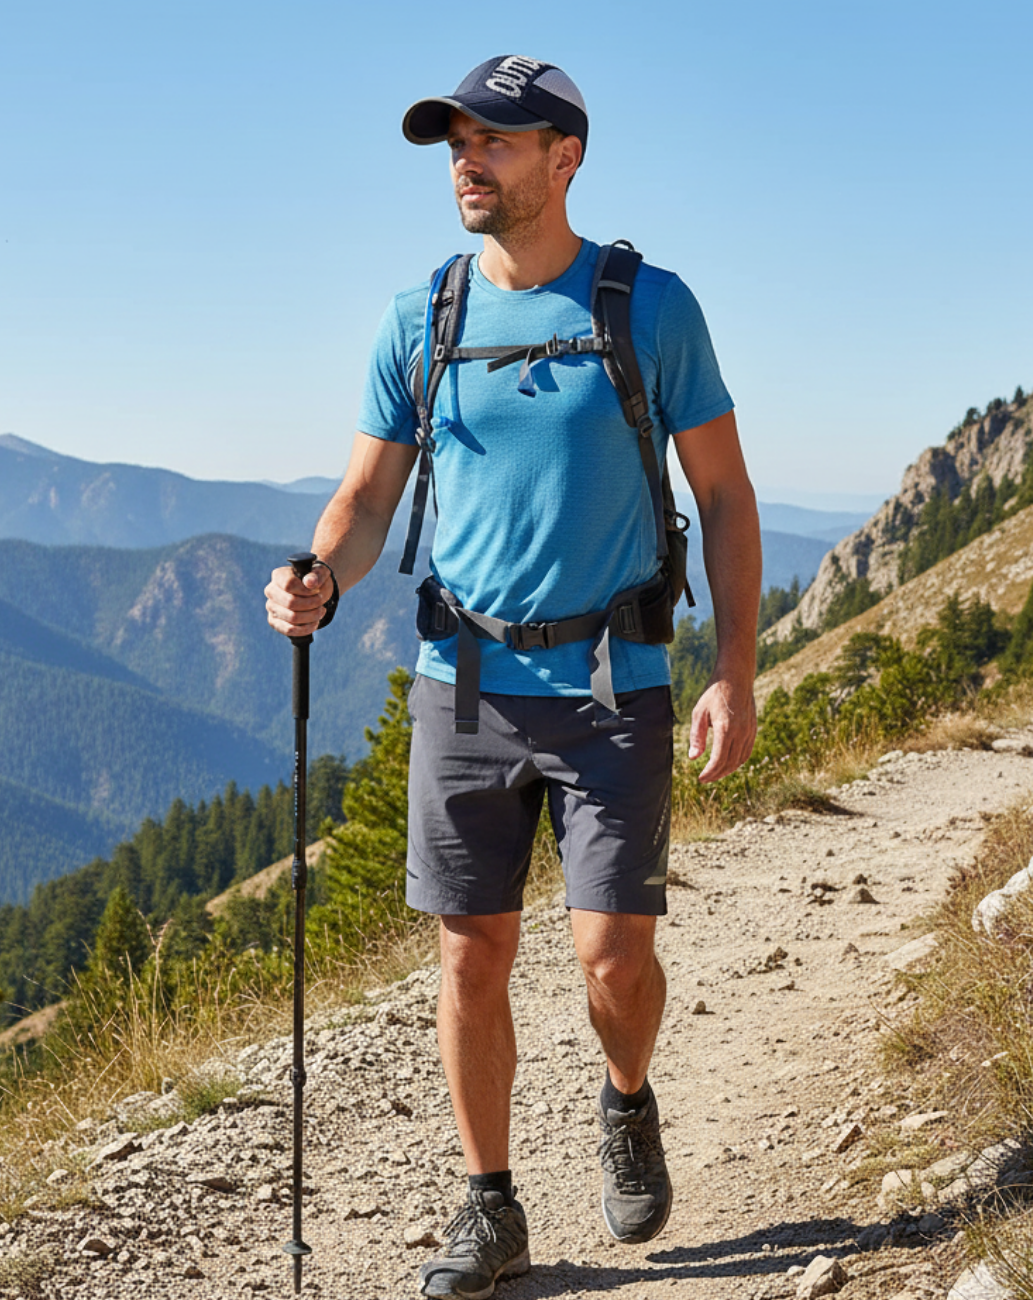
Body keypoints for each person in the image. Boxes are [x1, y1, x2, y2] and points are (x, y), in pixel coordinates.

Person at [265, 54, 761, 1300]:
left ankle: (625, 1096)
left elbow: (725, 494)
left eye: (492, 141)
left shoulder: (650, 307)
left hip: (614, 678)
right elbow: (368, 493)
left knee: (610, 956)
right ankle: (491, 1210)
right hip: (460, 681)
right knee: (469, 957)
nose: (466, 163)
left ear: (565, 158)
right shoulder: (420, 315)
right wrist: (318, 572)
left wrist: (735, 671)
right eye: (454, 145)